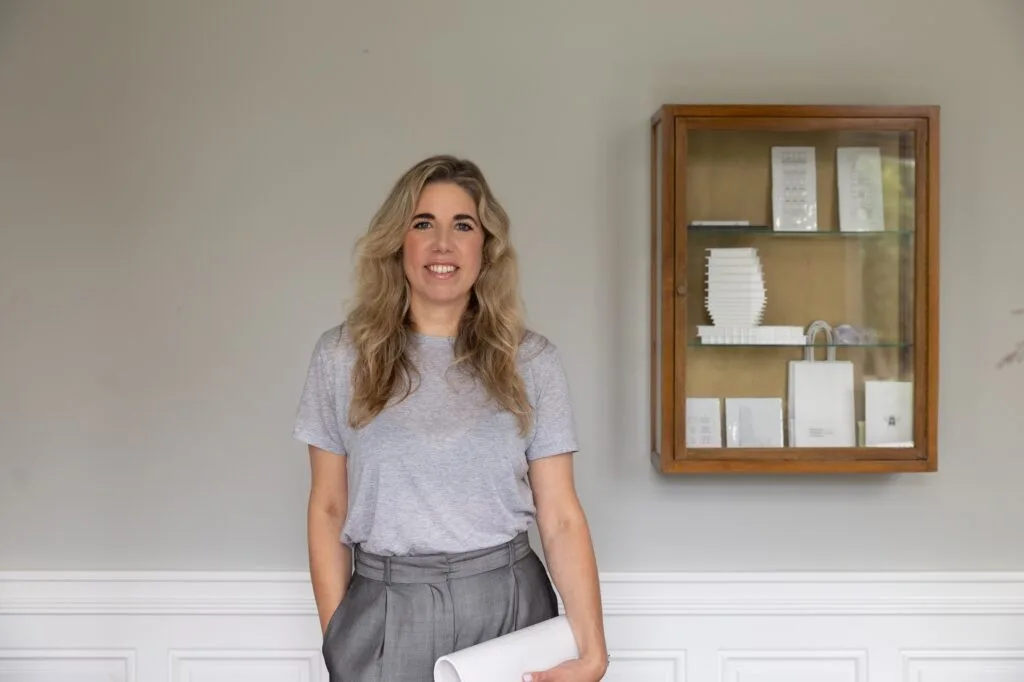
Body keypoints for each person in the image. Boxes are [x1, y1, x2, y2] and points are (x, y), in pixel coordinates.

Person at [292, 154, 608, 682]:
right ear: (398, 241)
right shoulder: (341, 357)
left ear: (486, 246)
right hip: (385, 610)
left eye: (463, 225)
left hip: (510, 606)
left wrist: (593, 651)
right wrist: (338, 637)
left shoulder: (532, 361)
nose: (443, 244)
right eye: (423, 224)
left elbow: (560, 515)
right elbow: (328, 507)